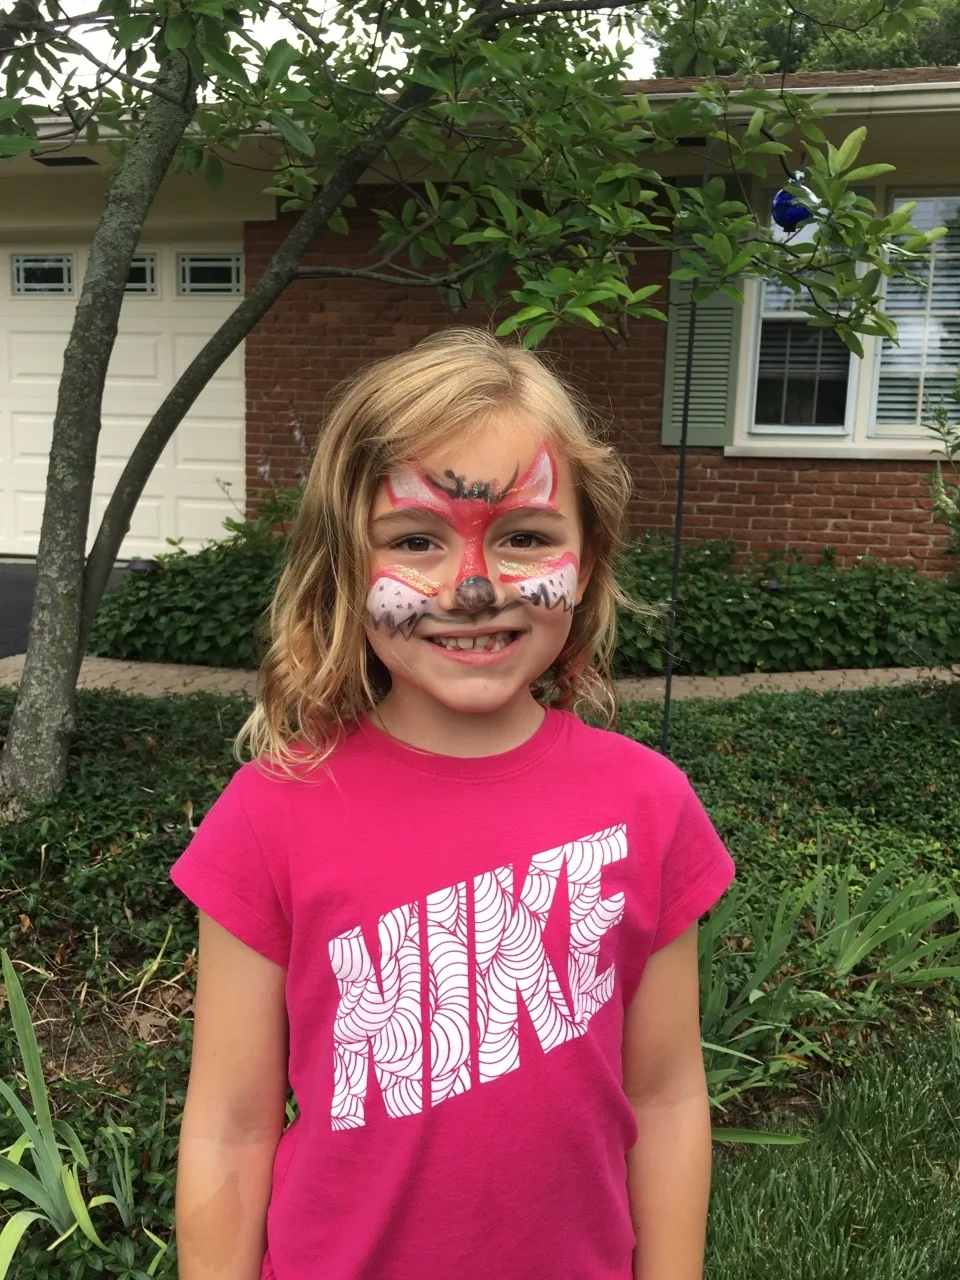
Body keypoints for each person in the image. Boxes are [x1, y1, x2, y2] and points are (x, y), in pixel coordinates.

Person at [170, 327, 736, 1280]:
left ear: (587, 559)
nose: (471, 589)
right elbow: (230, 1128)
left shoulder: (647, 803)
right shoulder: (274, 812)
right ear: (346, 565)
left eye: (524, 538)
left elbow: (671, 1095)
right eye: (415, 541)